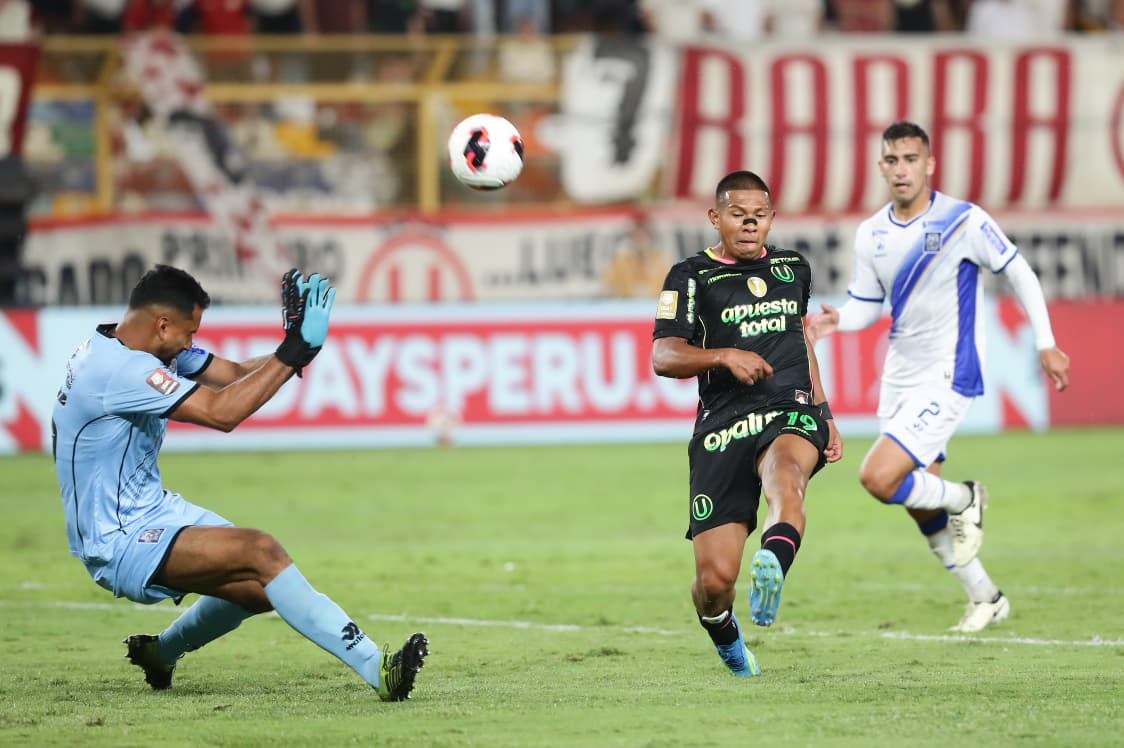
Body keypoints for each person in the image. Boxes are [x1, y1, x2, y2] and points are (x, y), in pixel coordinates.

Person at [51, 264, 429, 700]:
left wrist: (300, 347)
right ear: (161, 324)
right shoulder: (120, 372)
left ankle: (160, 653)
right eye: (190, 333)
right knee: (260, 551)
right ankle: (379, 669)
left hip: (152, 510)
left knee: (259, 589)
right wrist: (294, 350)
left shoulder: (130, 346)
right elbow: (221, 413)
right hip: (117, 538)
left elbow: (232, 376)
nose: (192, 343)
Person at [806, 121, 1071, 633]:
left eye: (911, 159)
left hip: (949, 372)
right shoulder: (872, 234)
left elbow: (1019, 271)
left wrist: (1045, 342)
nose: (901, 169)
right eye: (892, 160)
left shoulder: (963, 221)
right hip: (900, 375)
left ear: (929, 164)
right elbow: (866, 303)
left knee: (878, 478)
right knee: (916, 499)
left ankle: (966, 497)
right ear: (881, 166)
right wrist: (837, 320)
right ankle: (986, 597)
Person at [652, 170, 843, 677]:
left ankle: (774, 562)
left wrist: (824, 414)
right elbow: (664, 355)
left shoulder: (793, 268)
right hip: (723, 424)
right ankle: (730, 642)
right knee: (713, 583)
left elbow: (800, 341)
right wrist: (724, 356)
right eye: (738, 214)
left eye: (759, 215)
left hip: (789, 407)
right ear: (716, 218)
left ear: (771, 219)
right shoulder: (690, 276)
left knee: (787, 475)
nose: (750, 223)